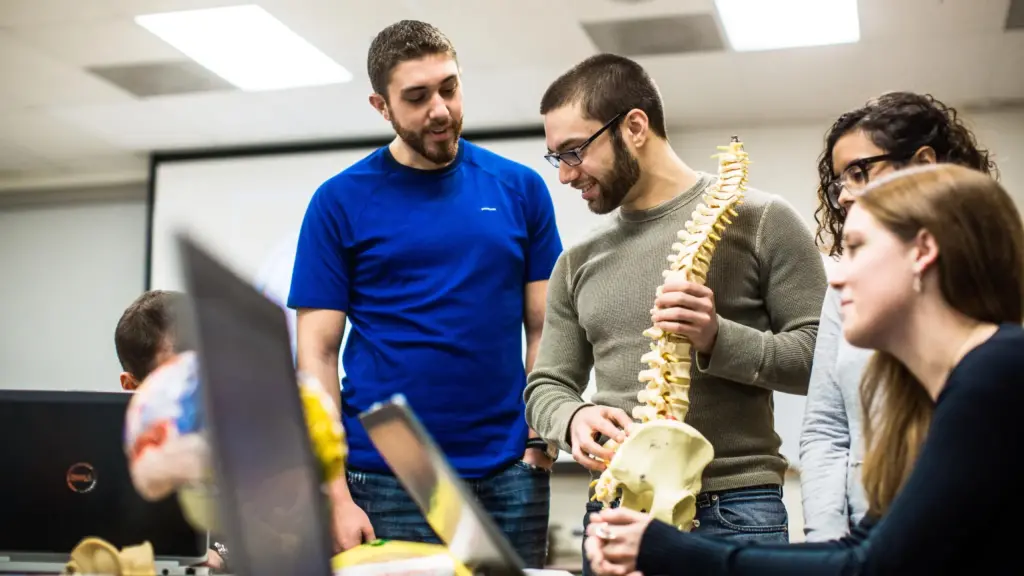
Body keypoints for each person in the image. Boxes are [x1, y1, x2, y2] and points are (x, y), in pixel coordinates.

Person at [584, 163, 1024, 575]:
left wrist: (666, 550)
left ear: (923, 251)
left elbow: (871, 568)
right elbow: (859, 550)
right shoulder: (943, 393)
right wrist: (657, 546)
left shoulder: (998, 374)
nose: (835, 278)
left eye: (856, 249)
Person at [523, 53, 827, 566]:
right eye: (558, 158)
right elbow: (546, 385)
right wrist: (572, 418)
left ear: (635, 126)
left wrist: (716, 337)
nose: (565, 176)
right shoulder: (576, 261)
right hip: (618, 509)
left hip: (735, 508)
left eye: (574, 152)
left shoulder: (763, 220)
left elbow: (823, 359)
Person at [287, 20, 562, 566]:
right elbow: (316, 352)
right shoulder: (338, 201)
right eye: (417, 97)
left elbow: (546, 327)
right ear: (381, 106)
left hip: (510, 467)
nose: (440, 109)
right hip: (389, 473)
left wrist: (541, 435)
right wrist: (334, 493)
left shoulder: (520, 187)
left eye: (449, 88)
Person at [799, 92, 999, 541]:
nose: (845, 194)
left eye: (859, 171)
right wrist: (828, 542)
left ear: (922, 162)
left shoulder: (998, 308)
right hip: (869, 530)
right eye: (839, 181)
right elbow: (826, 429)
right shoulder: (847, 292)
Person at [114, 290, 228, 572]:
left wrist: (221, 553)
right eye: (171, 378)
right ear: (131, 386)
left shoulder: (245, 424)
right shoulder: (116, 448)